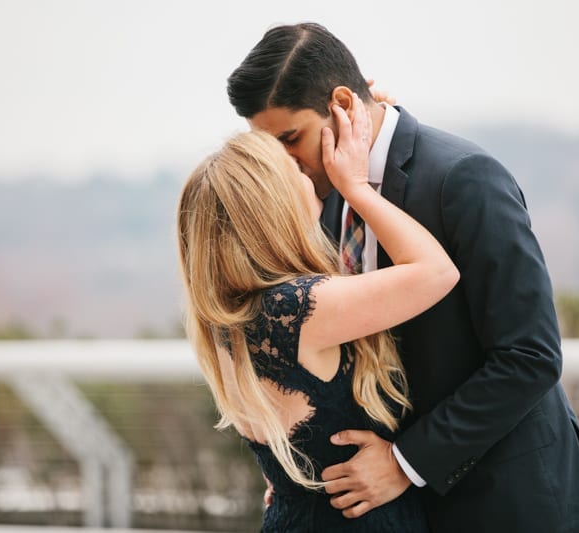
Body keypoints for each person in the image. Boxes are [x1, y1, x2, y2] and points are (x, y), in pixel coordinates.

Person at [227, 22, 579, 532]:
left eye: (290, 139)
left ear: (342, 103)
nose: (284, 163)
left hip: (512, 502)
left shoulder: (464, 177)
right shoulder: (315, 201)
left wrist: (405, 462)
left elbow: (531, 355)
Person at [177, 94, 458, 531]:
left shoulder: (224, 317)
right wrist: (357, 188)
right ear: (273, 205)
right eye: (293, 172)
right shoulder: (296, 308)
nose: (309, 173)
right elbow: (437, 272)